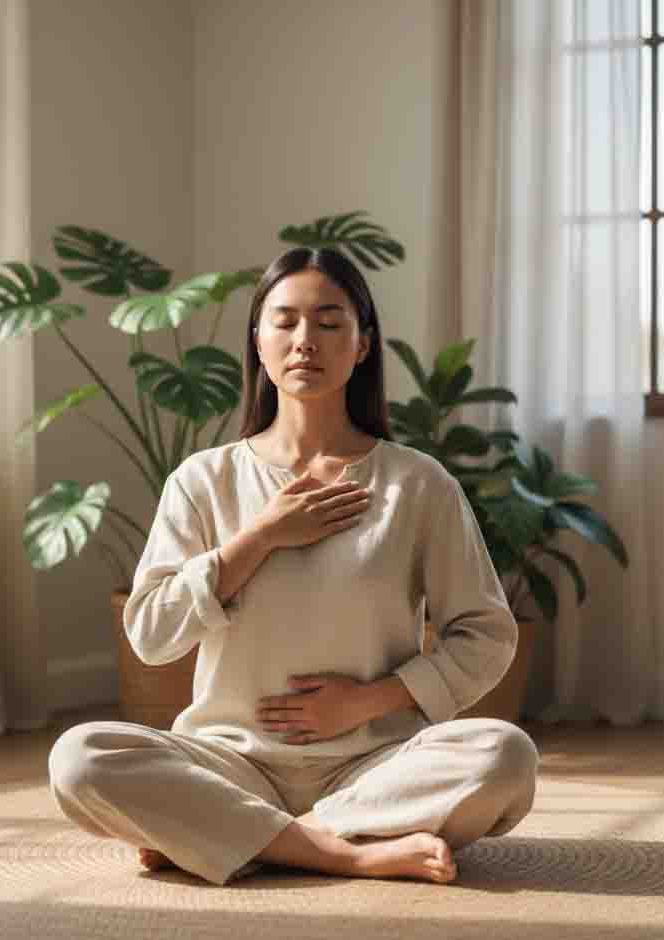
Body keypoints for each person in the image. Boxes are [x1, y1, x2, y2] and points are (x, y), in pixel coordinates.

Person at [48, 246, 539, 887]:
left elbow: (487, 635)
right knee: (80, 758)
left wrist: (369, 701)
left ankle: (228, 836)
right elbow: (149, 633)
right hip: (229, 761)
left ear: (363, 345)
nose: (305, 340)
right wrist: (260, 538)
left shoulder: (417, 484)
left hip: (373, 762)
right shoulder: (204, 480)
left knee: (505, 756)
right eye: (284, 321)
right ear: (257, 340)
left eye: (330, 322)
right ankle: (347, 850)